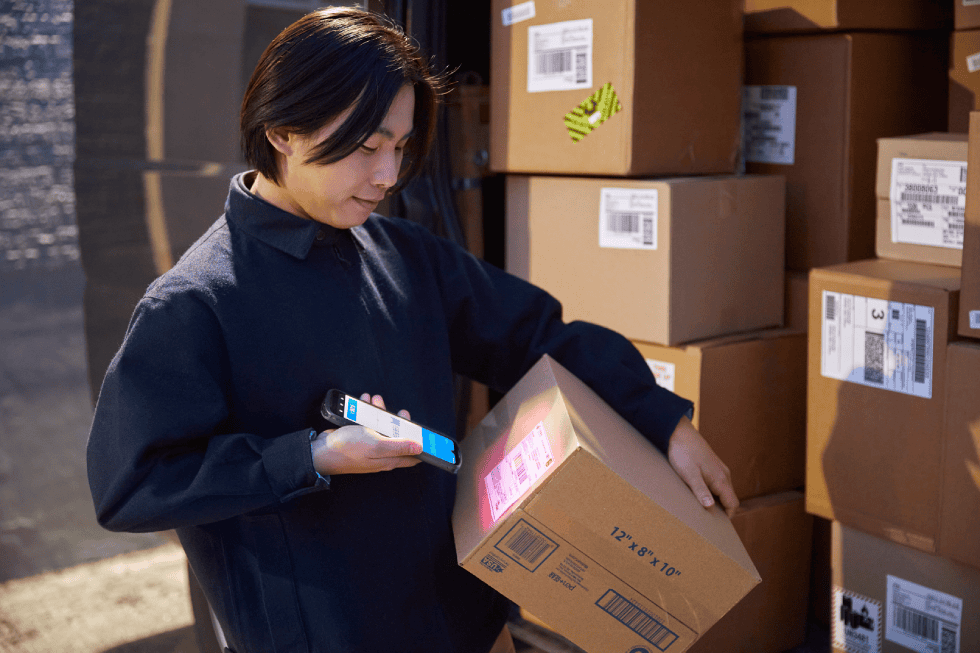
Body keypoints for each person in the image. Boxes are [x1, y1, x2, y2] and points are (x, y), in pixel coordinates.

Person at [86, 7, 738, 653]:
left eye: (398, 147)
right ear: (282, 130)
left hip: (467, 619)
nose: (388, 176)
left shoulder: (402, 252)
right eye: (368, 147)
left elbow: (537, 334)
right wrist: (309, 455)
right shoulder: (194, 303)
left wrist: (664, 422)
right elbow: (131, 482)